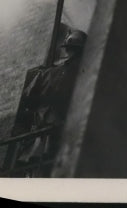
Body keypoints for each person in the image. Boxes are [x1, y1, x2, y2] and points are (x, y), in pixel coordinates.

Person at [18, 29, 87, 175]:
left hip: (42, 136)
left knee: (38, 173)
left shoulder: (46, 73)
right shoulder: (84, 74)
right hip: (64, 138)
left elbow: (27, 100)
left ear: (66, 50)